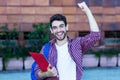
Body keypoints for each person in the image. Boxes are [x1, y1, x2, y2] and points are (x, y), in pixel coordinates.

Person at [34, 2, 100, 80]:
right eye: (55, 27)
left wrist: (87, 11)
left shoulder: (77, 44)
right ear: (51, 30)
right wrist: (47, 73)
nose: (58, 30)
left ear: (66, 27)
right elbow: (37, 73)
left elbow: (95, 36)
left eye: (61, 26)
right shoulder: (46, 49)